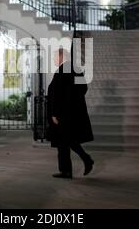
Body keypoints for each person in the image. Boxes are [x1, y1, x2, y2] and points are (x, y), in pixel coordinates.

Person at [48, 48, 94, 179]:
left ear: (62, 56)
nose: (53, 59)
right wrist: (74, 104)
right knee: (66, 140)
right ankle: (71, 168)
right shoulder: (76, 69)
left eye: (55, 56)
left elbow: (57, 94)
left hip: (63, 114)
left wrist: (55, 113)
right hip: (73, 112)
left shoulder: (62, 71)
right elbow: (83, 88)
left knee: (65, 140)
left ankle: (75, 165)